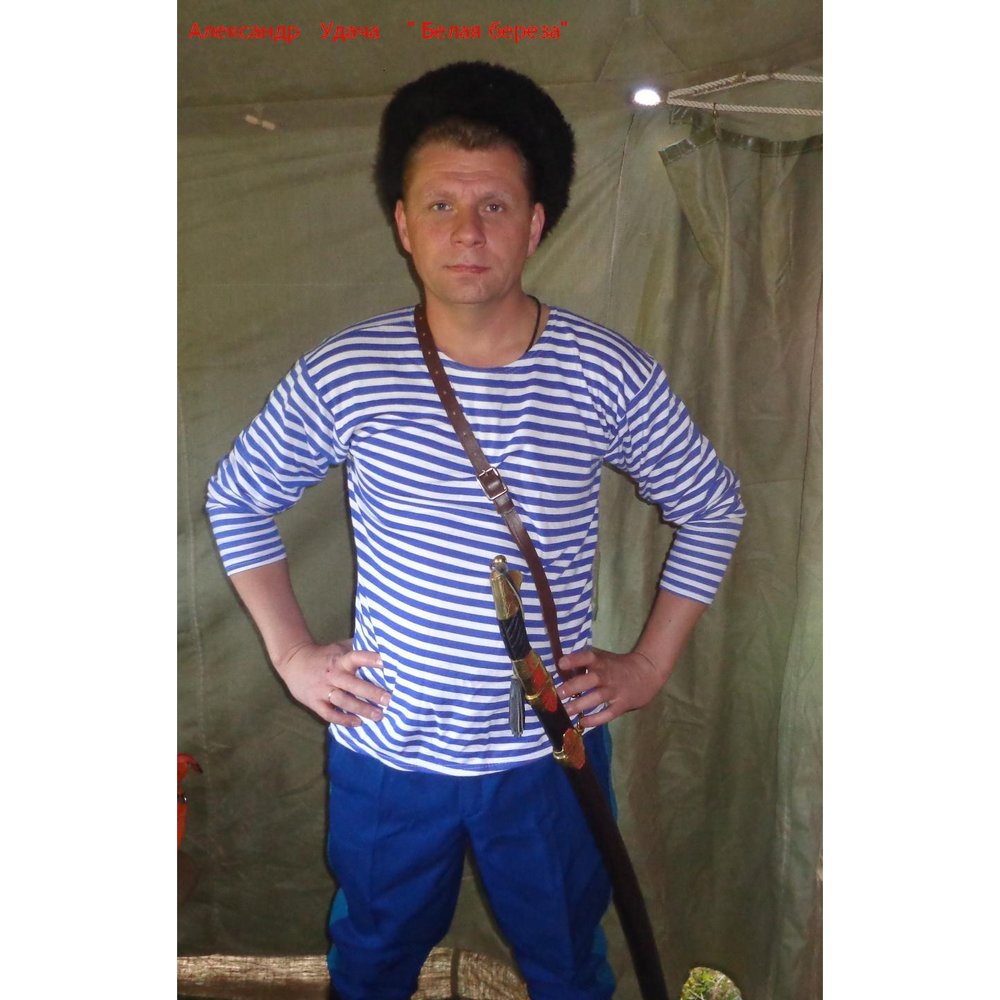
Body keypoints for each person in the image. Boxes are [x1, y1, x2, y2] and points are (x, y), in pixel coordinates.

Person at [206, 61, 745, 1000]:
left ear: (534, 224)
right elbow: (238, 498)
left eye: (494, 206)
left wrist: (650, 665)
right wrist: (291, 654)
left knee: (567, 965)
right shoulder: (347, 372)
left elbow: (713, 507)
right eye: (441, 205)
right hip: (388, 750)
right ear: (402, 224)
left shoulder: (606, 373)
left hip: (548, 752)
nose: (467, 232)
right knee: (371, 961)